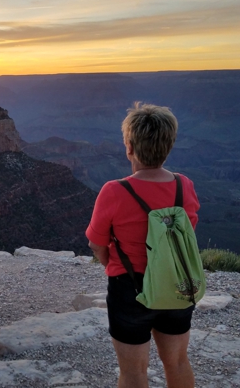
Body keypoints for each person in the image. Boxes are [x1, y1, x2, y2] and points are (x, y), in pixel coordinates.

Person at [85, 103, 200, 388]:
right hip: (177, 285)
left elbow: (96, 243)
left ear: (129, 148)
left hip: (130, 288)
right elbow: (187, 232)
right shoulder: (184, 185)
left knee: (134, 372)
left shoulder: (114, 191)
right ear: (169, 145)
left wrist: (112, 264)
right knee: (177, 362)